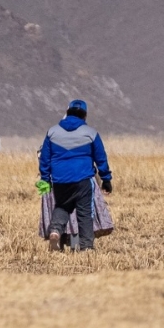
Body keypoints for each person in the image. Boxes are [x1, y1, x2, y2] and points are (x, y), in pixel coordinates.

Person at [39, 99, 113, 252]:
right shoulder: (91, 133)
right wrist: (106, 179)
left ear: (67, 113)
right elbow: (101, 158)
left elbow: (45, 159)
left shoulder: (52, 132)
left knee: (62, 206)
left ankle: (55, 230)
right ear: (84, 115)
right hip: (82, 178)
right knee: (84, 213)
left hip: (60, 179)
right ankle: (86, 247)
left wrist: (45, 180)